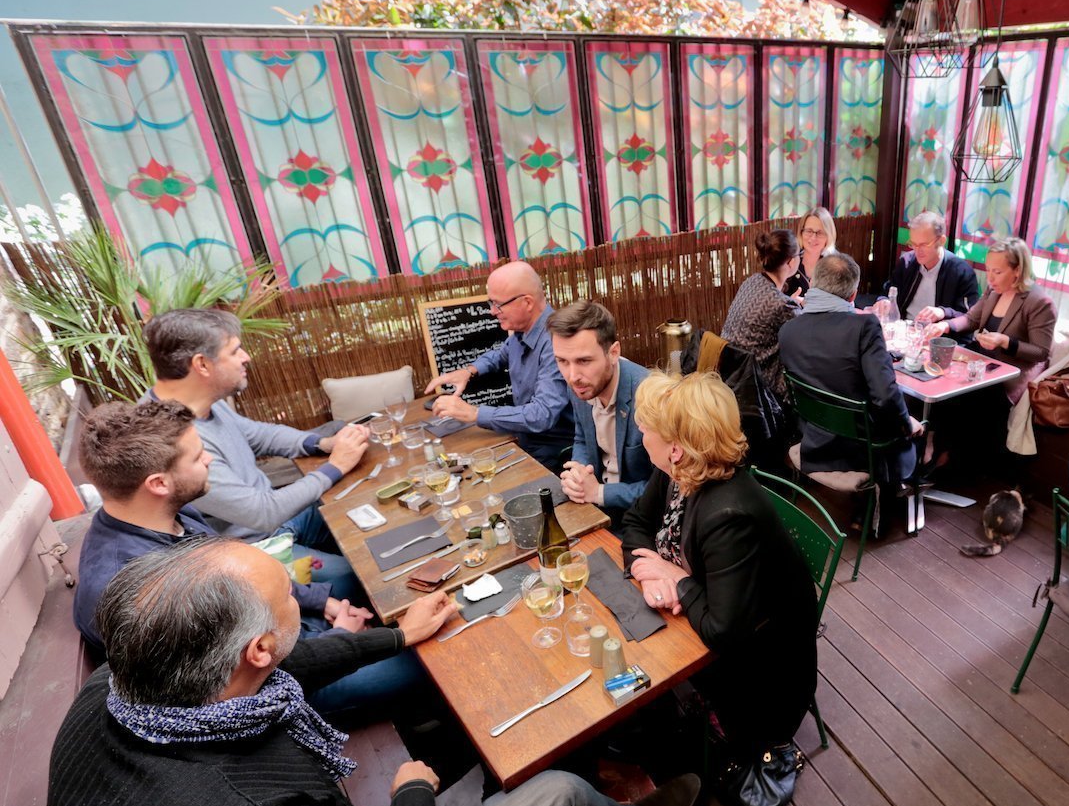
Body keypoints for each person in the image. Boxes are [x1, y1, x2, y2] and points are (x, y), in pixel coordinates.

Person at [47, 539, 702, 806]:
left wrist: (397, 636)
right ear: (256, 652)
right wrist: (411, 792)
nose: (301, 608)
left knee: (496, 774)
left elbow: (294, 664)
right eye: (288, 604)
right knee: (555, 792)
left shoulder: (121, 687)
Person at [72, 400, 425, 723]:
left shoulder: (168, 513)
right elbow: (244, 679)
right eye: (197, 458)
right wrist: (341, 639)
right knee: (426, 662)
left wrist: (324, 603)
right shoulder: (142, 591)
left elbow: (245, 583)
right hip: (277, 687)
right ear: (159, 483)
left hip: (280, 637)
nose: (209, 460)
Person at [621, 373, 818, 806]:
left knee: (628, 658)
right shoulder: (679, 472)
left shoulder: (726, 511)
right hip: (713, 618)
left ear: (675, 445)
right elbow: (634, 523)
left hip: (765, 667)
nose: (640, 433)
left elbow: (723, 629)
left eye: (646, 427)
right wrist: (648, 569)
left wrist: (673, 578)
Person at [146, 308, 368, 553]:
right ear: (202, 364)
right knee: (362, 569)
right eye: (234, 351)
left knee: (363, 503)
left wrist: (323, 444)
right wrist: (337, 465)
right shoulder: (171, 441)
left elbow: (258, 434)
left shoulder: (202, 400)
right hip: (258, 549)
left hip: (282, 519)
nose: (246, 357)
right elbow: (262, 513)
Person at [779, 252, 924, 536]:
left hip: (814, 441)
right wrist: (908, 424)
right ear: (854, 294)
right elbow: (886, 396)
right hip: (860, 451)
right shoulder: (865, 327)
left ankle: (869, 502)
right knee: (911, 424)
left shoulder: (788, 331)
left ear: (813, 284)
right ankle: (882, 498)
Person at [424, 261, 575, 471]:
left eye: (498, 304)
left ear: (527, 303)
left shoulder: (556, 341)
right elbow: (500, 355)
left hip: (554, 452)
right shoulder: (523, 331)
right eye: (490, 303)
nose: (492, 312)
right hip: (522, 438)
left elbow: (541, 415)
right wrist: (468, 371)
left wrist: (475, 414)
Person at [548, 299, 654, 526]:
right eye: (562, 361)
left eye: (584, 360)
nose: (572, 375)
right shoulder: (581, 383)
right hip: (594, 507)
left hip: (641, 520)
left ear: (614, 352)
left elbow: (670, 490)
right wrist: (578, 471)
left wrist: (599, 493)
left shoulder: (650, 398)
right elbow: (582, 438)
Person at [926, 237, 1056, 407]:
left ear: (1017, 270)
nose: (990, 279)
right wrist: (945, 325)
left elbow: (1041, 352)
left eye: (997, 272)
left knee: (959, 401)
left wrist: (1005, 342)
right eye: (988, 270)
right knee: (937, 383)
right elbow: (972, 319)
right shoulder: (994, 290)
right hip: (979, 366)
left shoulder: (1039, 302)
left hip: (1008, 376)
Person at [720, 227, 802, 402]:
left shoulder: (752, 281)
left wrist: (790, 302)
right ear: (790, 262)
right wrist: (797, 306)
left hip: (731, 375)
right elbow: (808, 332)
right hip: (760, 385)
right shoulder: (782, 305)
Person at [874, 211, 979, 324]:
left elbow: (970, 317)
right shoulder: (907, 262)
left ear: (941, 241)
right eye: (913, 244)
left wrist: (943, 312)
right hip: (905, 327)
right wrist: (884, 301)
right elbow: (889, 290)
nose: (917, 250)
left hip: (938, 336)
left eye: (924, 245)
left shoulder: (962, 272)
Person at [783, 207, 837, 299]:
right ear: (801, 232)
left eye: (820, 232)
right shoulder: (789, 261)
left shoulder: (837, 265)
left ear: (829, 235)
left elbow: (844, 303)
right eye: (809, 231)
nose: (813, 238)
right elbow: (778, 297)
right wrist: (791, 302)